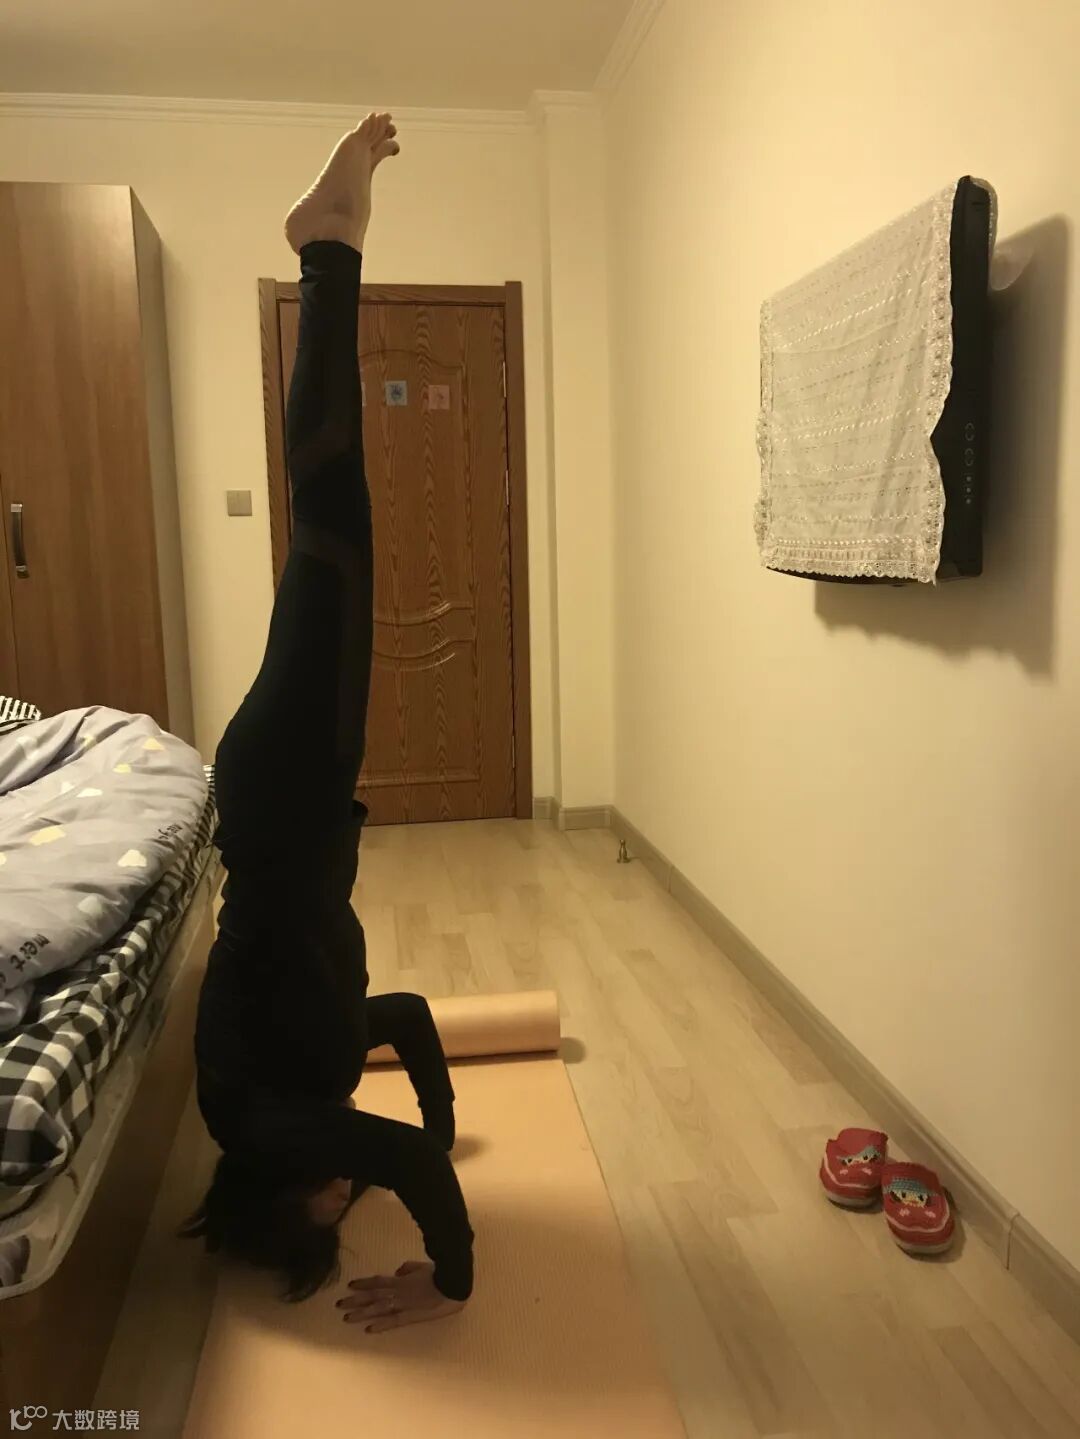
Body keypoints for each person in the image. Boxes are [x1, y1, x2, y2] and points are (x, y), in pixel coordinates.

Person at [184, 114, 473, 1334]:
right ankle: (329, 244)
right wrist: (441, 1132)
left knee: (333, 511)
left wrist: (449, 1278)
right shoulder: (296, 1087)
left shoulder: (274, 1120)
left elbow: (394, 1162)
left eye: (328, 1209)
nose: (348, 1196)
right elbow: (406, 1021)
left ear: (284, 1198)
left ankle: (324, 248)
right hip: (289, 799)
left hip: (284, 797)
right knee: (338, 524)